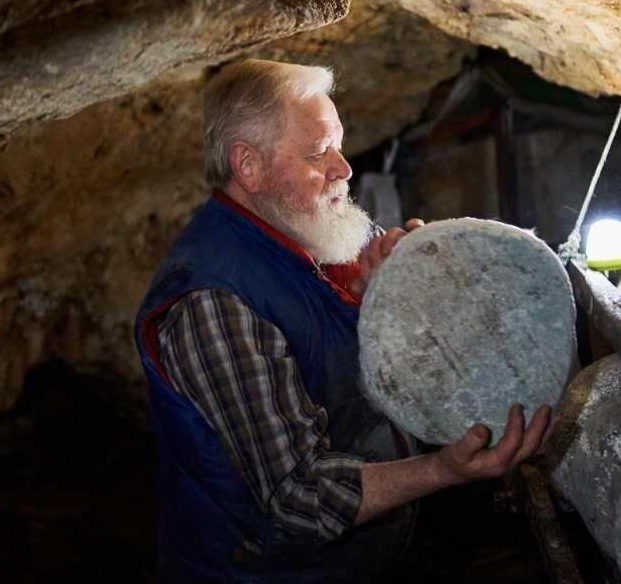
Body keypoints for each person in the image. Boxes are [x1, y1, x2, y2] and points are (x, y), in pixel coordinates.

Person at [134, 59, 552, 582]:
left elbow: (332, 342)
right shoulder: (212, 303)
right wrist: (442, 470)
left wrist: (385, 296)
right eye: (317, 153)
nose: (344, 168)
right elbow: (300, 497)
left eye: (338, 144)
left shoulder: (305, 231)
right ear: (249, 166)